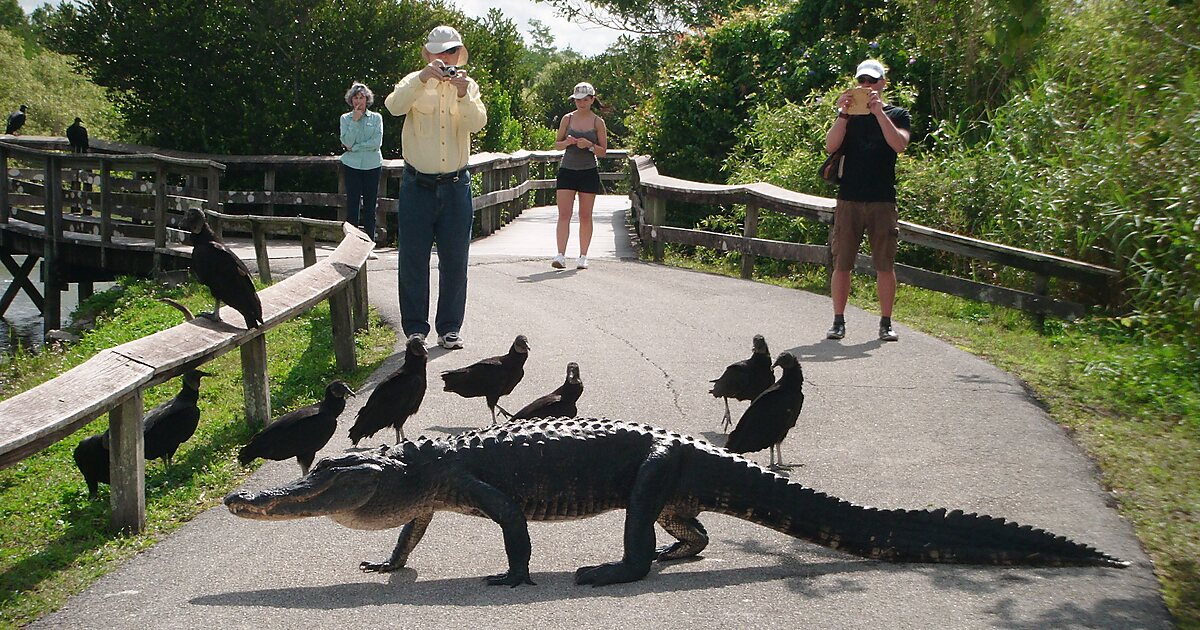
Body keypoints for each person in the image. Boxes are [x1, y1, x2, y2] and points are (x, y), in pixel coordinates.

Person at [384, 25, 487, 350]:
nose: (445, 58)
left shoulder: (468, 87)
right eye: (439, 52)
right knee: (412, 259)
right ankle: (415, 329)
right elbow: (394, 106)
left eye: (451, 52)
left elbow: (477, 122)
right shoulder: (413, 82)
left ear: (459, 55)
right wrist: (421, 79)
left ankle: (450, 328)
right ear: (428, 54)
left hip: (456, 185)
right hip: (417, 185)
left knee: (455, 261)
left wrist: (461, 93)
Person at [823, 59, 911, 342]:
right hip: (849, 198)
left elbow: (899, 145)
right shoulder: (848, 117)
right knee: (842, 262)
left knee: (884, 264)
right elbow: (831, 145)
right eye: (862, 81)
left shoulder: (897, 114)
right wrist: (844, 114)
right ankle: (838, 321)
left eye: (872, 81)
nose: (866, 86)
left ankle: (885, 322)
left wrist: (878, 113)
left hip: (882, 200)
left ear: (883, 83)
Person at [551, 82, 608, 270]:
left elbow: (603, 152)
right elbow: (557, 144)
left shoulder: (597, 122)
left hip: (588, 171)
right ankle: (560, 255)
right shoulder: (567, 119)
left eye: (585, 100)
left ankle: (583, 255)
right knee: (564, 214)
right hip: (567, 169)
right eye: (578, 100)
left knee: (585, 215)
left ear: (592, 100)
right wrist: (567, 142)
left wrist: (589, 146)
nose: (581, 103)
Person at [339, 82, 383, 245]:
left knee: (371, 206)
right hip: (352, 165)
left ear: (367, 99)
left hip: (372, 165)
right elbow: (346, 141)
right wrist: (355, 121)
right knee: (352, 204)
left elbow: (376, 143)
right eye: (356, 98)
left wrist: (355, 147)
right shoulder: (345, 119)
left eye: (362, 97)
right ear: (351, 100)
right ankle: (351, 245)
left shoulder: (377, 118)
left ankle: (369, 244)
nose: (359, 101)